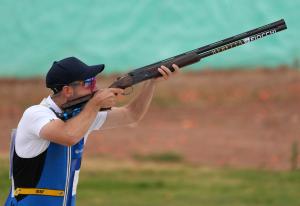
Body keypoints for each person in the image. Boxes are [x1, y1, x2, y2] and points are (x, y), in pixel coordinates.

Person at [4, 56, 180, 206]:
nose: (95, 88)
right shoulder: (36, 114)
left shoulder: (81, 116)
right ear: (67, 90)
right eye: (89, 83)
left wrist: (151, 83)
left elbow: (131, 115)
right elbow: (68, 135)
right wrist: (95, 104)